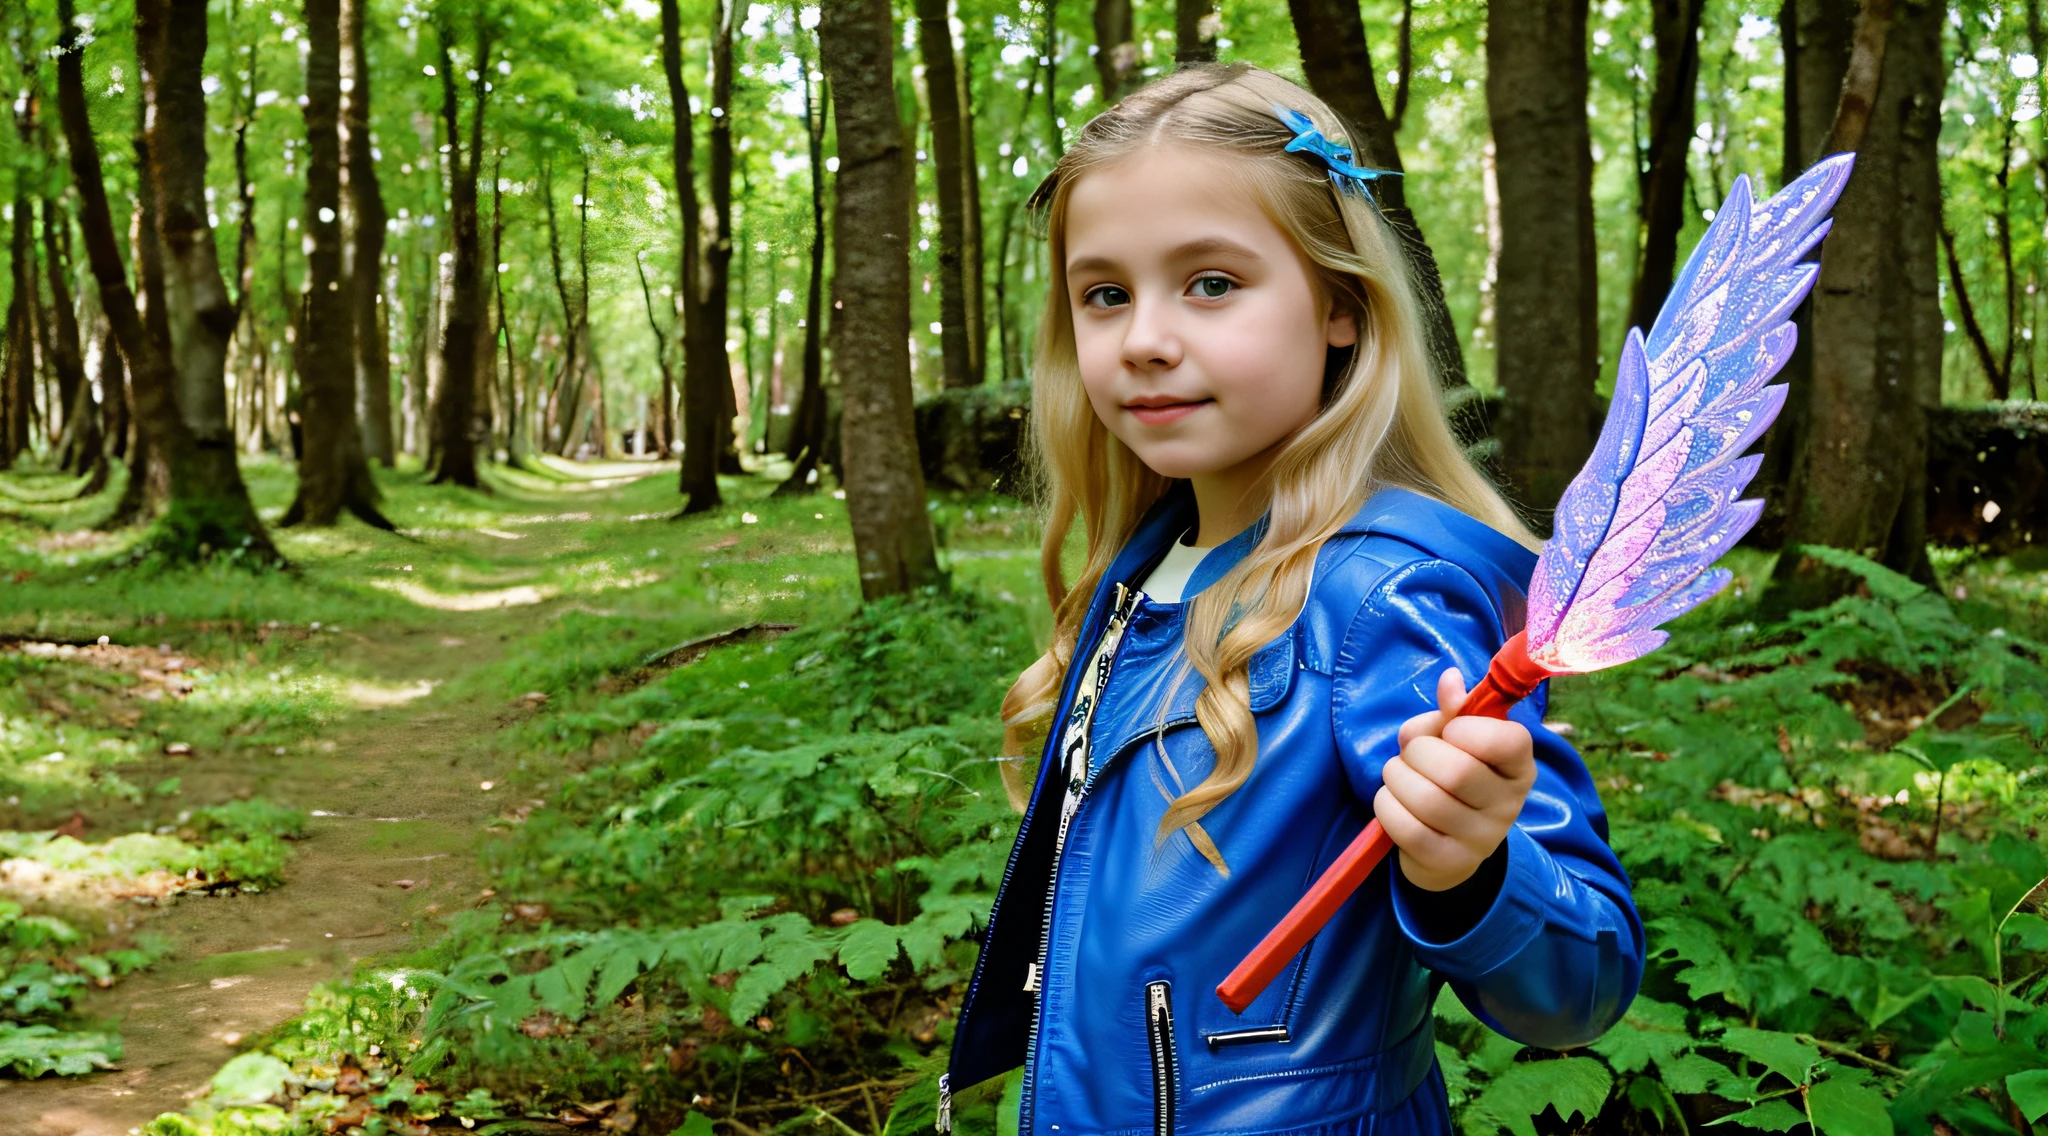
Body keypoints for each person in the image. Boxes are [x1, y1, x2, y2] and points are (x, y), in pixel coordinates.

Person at [940, 63, 1642, 1136]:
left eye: (1210, 282)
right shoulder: (1146, 569)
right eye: (1104, 293)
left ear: (1340, 308)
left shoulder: (1378, 599)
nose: (1143, 338)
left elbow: (1578, 982)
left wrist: (1469, 868)